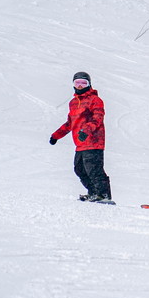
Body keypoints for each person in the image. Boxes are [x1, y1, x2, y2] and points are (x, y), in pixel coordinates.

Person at [49, 71, 113, 204]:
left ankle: (103, 194)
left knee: (94, 169)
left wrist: (86, 130)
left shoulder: (95, 100)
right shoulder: (73, 103)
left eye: (83, 83)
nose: (80, 86)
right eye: (77, 83)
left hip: (94, 141)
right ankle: (93, 192)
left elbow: (98, 118)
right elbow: (69, 123)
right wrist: (56, 136)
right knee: (79, 169)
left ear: (89, 84)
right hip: (80, 143)